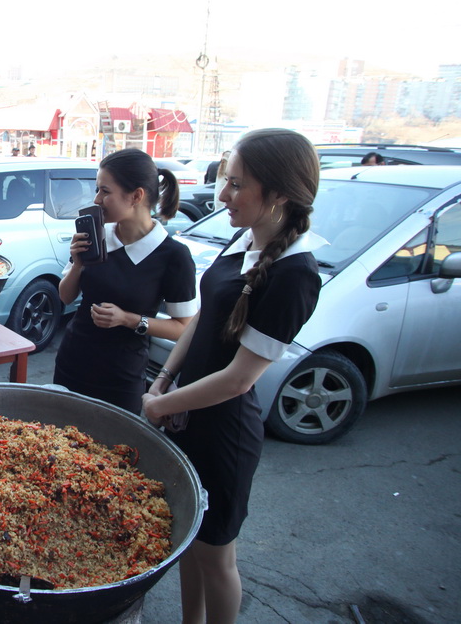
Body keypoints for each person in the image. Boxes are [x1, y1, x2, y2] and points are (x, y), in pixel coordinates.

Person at [142, 128, 326, 624]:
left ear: (280, 195)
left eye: (237, 185)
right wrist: (165, 378)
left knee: (216, 557)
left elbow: (239, 379)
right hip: (187, 413)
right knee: (187, 542)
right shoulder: (246, 237)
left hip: (223, 434)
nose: (222, 195)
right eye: (226, 181)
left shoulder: (295, 274)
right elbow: (202, 319)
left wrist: (160, 406)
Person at [53, 148, 197, 413]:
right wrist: (78, 263)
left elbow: (183, 327)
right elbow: (65, 296)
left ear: (136, 196)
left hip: (122, 376)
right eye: (97, 190)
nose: (96, 199)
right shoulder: (96, 235)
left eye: (105, 191)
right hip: (72, 361)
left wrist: (128, 319)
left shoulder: (173, 256)